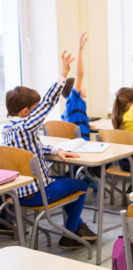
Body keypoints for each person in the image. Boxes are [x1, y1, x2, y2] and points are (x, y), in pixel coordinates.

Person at [2, 51, 97, 250]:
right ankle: (69, 234)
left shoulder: (8, 129)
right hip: (37, 193)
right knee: (80, 185)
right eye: (35, 110)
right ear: (27, 112)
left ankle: (78, 227)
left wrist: (55, 149)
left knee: (66, 182)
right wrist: (63, 72)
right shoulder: (26, 126)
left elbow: (29, 149)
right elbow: (48, 102)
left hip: (18, 193)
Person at [61, 32, 90, 140]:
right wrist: (80, 49)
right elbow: (80, 74)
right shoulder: (74, 101)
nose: (83, 87)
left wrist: (85, 122)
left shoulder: (69, 108)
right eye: (80, 86)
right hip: (82, 145)